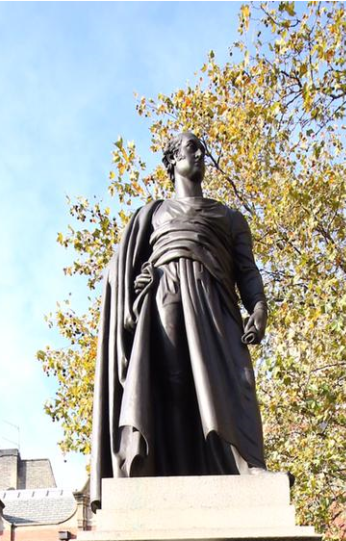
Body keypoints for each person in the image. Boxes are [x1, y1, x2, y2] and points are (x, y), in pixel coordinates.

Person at [88, 128, 268, 508]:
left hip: (217, 305)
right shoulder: (151, 215)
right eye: (191, 149)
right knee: (173, 387)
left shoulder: (230, 218)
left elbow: (247, 271)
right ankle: (162, 471)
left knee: (234, 382)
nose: (200, 155)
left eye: (202, 150)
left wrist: (258, 307)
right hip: (166, 299)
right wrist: (134, 286)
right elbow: (117, 274)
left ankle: (245, 465)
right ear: (172, 161)